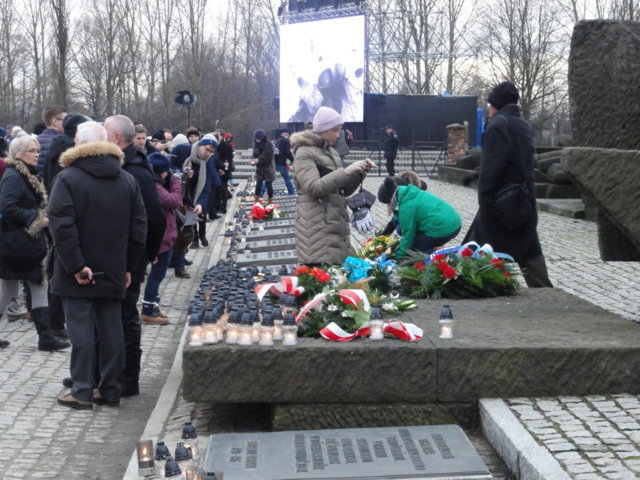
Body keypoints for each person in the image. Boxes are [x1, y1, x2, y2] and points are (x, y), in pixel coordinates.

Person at [49, 121, 146, 409]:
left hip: (77, 271)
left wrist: (77, 265)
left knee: (81, 331)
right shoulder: (127, 179)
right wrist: (128, 266)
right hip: (114, 268)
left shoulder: (67, 178)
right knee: (111, 329)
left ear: (79, 143)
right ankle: (111, 389)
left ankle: (81, 390)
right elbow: (138, 227)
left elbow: (62, 226)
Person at [463, 81, 553, 288]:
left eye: (489, 104)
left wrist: (484, 199)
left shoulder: (497, 125)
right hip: (523, 199)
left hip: (500, 203)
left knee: (481, 248)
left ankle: (472, 285)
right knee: (528, 246)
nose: (488, 108)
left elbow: (493, 167)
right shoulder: (522, 125)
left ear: (496, 104)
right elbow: (517, 161)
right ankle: (543, 291)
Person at [104, 114, 166, 397]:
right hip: (127, 255)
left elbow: (155, 217)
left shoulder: (137, 170)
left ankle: (128, 379)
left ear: (116, 137)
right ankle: (109, 373)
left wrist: (148, 253)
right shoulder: (125, 164)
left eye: (105, 132)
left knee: (127, 317)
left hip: (132, 256)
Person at [0, 136, 70, 351]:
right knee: (25, 285)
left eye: (38, 151)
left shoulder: (25, 174)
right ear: (18, 152)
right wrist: (37, 218)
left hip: (23, 242)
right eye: (32, 150)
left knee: (24, 286)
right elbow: (6, 207)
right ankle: (45, 337)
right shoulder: (14, 176)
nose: (37, 155)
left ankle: (45, 336)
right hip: (18, 242)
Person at [291, 106, 373, 266]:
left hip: (335, 226)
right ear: (322, 129)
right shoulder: (304, 153)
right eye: (334, 130)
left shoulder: (332, 153)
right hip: (317, 230)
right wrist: (346, 171)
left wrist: (359, 173)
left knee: (335, 283)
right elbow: (314, 187)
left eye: (339, 130)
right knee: (320, 283)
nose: (337, 135)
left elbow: (342, 191)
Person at [140, 153, 182, 324]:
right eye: (165, 172)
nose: (168, 175)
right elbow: (173, 201)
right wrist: (177, 182)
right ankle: (148, 309)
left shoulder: (155, 184)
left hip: (163, 235)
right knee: (156, 275)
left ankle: (154, 306)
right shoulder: (155, 187)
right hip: (161, 236)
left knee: (157, 275)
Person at [377, 175, 461, 258]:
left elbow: (407, 236)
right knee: (401, 229)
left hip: (443, 228)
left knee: (413, 252)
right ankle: (434, 246)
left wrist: (398, 258)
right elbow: (394, 221)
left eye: (386, 203)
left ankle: (445, 255)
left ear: (390, 200)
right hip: (454, 222)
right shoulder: (407, 193)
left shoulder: (405, 207)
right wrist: (380, 239)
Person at [36, 105, 67, 176]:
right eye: (65, 119)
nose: (68, 122)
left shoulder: (34, 141)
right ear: (55, 121)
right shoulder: (61, 144)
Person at [251, 130, 275, 204]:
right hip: (259, 168)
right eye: (256, 139)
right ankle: (256, 200)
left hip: (268, 167)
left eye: (259, 139)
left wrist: (259, 160)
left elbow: (269, 156)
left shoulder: (269, 144)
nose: (257, 140)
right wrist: (253, 160)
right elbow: (254, 154)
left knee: (268, 184)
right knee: (258, 183)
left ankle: (270, 201)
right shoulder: (255, 144)